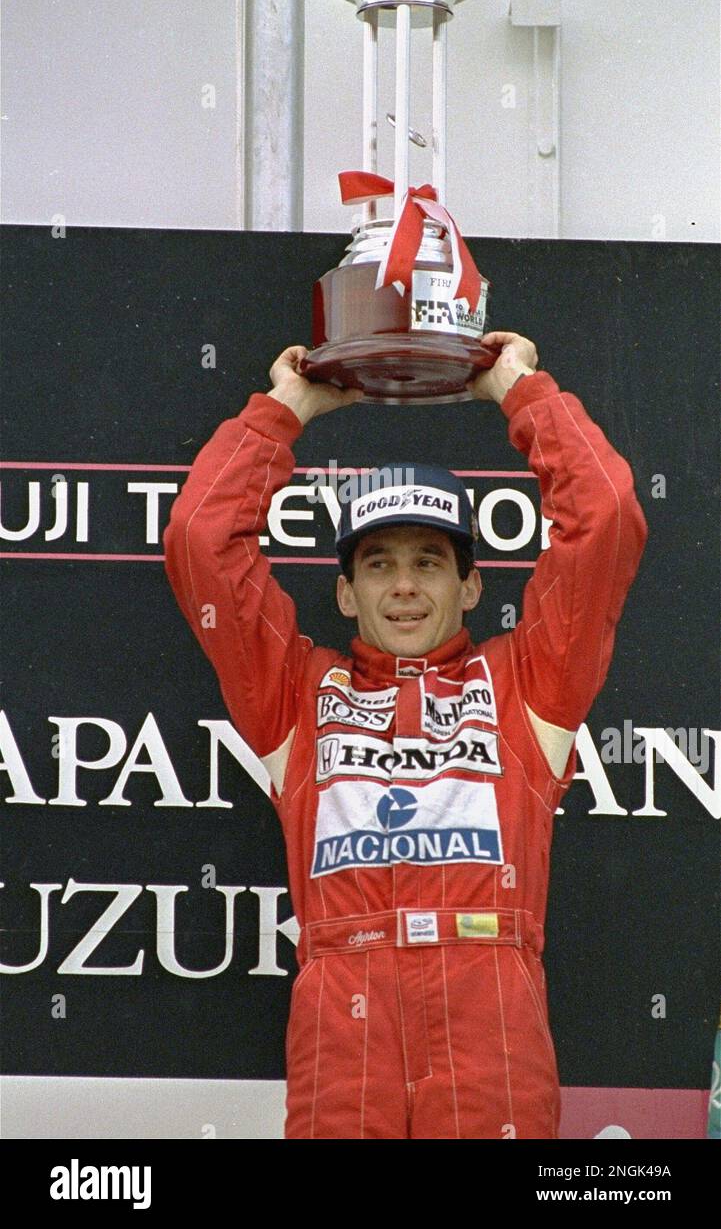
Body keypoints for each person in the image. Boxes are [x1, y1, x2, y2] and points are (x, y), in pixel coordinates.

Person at [163, 332, 648, 1140]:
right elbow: (197, 540)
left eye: (428, 561)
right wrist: (285, 410)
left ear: (469, 585)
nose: (404, 588)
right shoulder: (294, 692)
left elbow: (606, 517)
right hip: (342, 1028)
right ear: (346, 594)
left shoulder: (529, 684)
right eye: (378, 565)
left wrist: (517, 390)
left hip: (490, 1020)